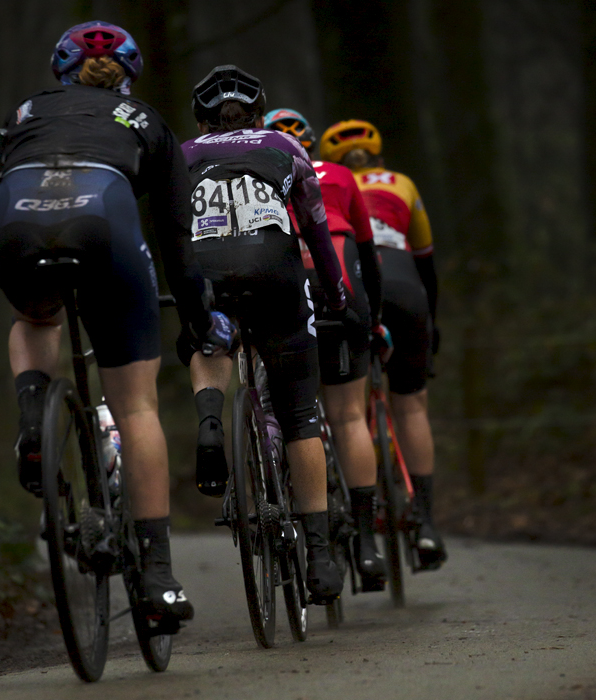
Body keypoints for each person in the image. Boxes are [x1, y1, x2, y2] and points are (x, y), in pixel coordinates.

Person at [0, 21, 214, 628]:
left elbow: (3, 173)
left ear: (60, 72)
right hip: (103, 219)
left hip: (12, 220)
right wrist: (198, 321)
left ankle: (33, 418)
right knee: (135, 408)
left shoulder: (25, 111)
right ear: (129, 78)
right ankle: (159, 578)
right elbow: (177, 245)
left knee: (37, 312)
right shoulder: (147, 123)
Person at [179, 66, 355, 602]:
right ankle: (321, 556)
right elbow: (317, 233)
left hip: (208, 273)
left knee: (211, 340)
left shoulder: (182, 154)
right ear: (258, 112)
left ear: (203, 118)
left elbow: (166, 230)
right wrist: (335, 295)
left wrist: (181, 292)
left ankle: (210, 421)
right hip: (276, 271)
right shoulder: (284, 145)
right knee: (301, 416)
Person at [264, 108, 388, 590]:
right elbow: (367, 249)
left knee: (296, 417)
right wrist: (373, 321)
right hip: (340, 294)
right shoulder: (338, 175)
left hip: (289, 294)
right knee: (350, 418)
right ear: (310, 145)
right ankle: (367, 544)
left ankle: (302, 527)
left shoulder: (256, 176)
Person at [319, 120, 448, 569]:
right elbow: (426, 260)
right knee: (411, 405)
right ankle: (427, 523)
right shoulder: (403, 184)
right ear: (378, 155)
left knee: (345, 410)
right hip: (406, 290)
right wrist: (431, 325)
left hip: (353, 284)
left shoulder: (327, 182)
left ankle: (355, 521)